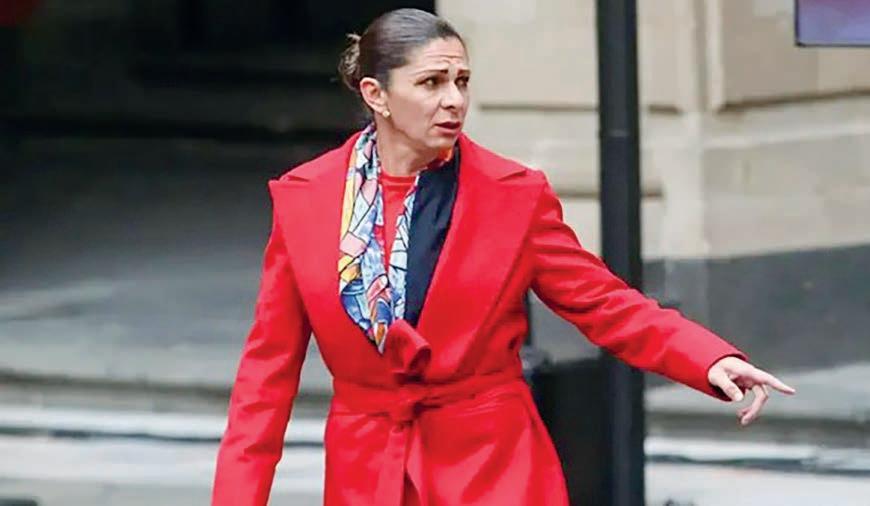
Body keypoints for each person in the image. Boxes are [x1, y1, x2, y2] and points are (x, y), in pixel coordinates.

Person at [211, 8, 795, 506]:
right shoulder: (307, 199)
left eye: (462, 81)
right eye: (432, 83)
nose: (454, 100)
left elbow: (604, 303)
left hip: (493, 470)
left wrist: (708, 358)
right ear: (376, 95)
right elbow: (266, 376)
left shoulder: (513, 194)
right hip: (369, 474)